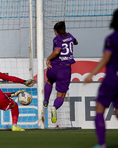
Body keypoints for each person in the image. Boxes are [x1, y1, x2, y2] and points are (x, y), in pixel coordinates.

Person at [83, 9, 118, 148]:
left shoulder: (111, 38)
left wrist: (91, 74)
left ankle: (102, 144)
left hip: (112, 79)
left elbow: (106, 58)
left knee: (99, 108)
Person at [43, 21, 78, 123]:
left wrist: (48, 59)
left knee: (49, 81)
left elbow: (56, 51)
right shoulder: (70, 36)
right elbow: (76, 42)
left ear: (55, 31)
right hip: (64, 69)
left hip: (54, 67)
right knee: (61, 95)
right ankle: (54, 107)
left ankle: (45, 101)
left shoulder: (57, 38)